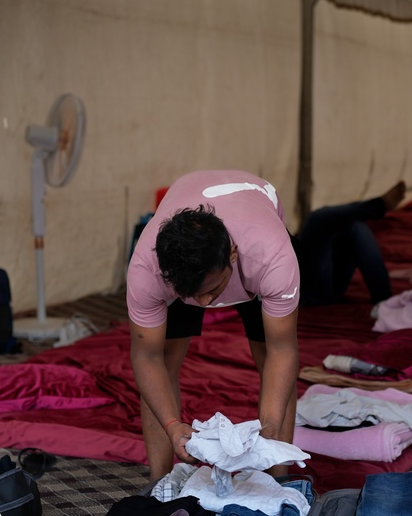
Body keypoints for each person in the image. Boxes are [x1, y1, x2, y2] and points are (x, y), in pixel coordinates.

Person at [127, 170, 300, 481]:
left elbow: (282, 350)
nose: (204, 304)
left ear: (232, 255)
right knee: (165, 359)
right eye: (192, 295)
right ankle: (158, 481)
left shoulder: (272, 258)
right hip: (194, 255)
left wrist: (270, 423)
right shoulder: (146, 270)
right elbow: (146, 357)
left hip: (254, 252)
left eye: (211, 290)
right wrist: (172, 425)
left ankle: (280, 477)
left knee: (269, 357)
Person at [295, 180, 405, 307]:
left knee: (353, 226)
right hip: (306, 293)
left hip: (319, 281)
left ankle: (384, 298)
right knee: (318, 219)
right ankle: (377, 206)